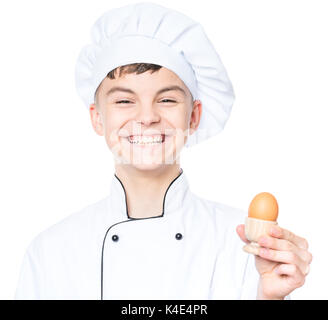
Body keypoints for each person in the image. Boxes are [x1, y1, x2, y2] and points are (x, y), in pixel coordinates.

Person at [14, 2, 312, 300]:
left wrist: (271, 297)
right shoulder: (51, 253)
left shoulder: (244, 248)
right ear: (97, 118)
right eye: (123, 101)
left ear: (194, 116)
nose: (147, 117)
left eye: (166, 100)